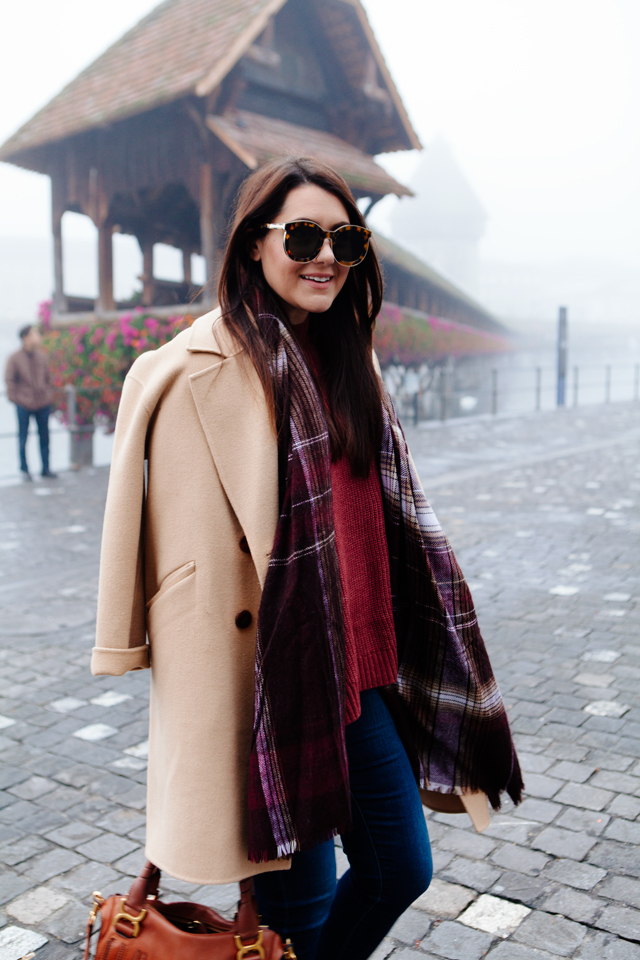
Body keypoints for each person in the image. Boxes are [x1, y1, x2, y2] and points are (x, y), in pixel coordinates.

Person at [92, 158, 522, 960]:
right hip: (274, 689)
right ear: (254, 244)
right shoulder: (188, 374)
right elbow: (158, 546)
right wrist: (131, 642)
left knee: (400, 870)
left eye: (346, 239)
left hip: (364, 677)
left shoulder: (355, 365)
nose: (325, 255)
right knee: (305, 908)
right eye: (302, 236)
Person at [4, 324, 56, 480]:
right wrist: (17, 400)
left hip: (42, 404)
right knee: (23, 437)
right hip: (23, 404)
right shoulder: (14, 358)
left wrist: (48, 396)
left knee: (45, 437)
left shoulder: (42, 356)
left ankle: (45, 468)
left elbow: (48, 378)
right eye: (34, 334)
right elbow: (9, 381)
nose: (37, 337)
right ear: (25, 338)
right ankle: (24, 470)